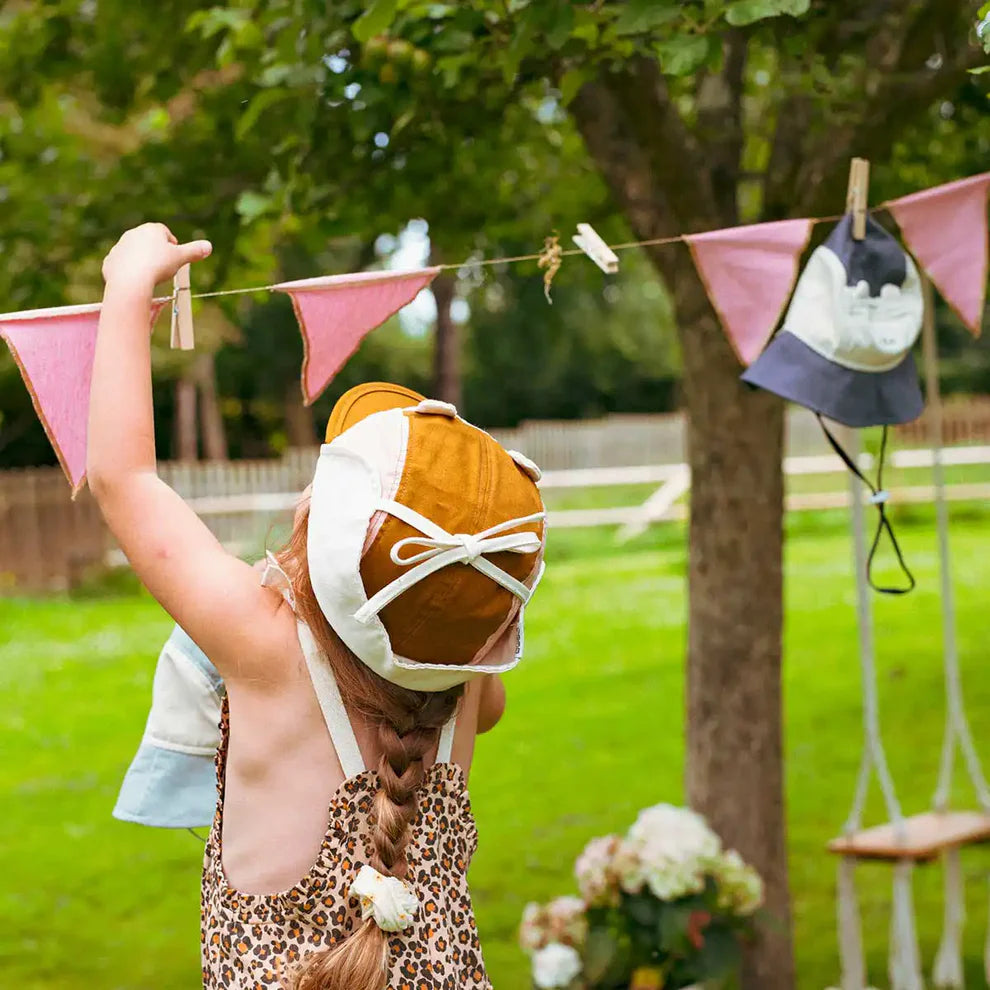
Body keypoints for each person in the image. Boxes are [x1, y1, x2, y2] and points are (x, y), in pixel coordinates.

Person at [90, 223, 547, 990]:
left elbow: (123, 479)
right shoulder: (467, 677)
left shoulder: (264, 643)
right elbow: (483, 693)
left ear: (323, 521)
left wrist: (127, 286)